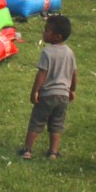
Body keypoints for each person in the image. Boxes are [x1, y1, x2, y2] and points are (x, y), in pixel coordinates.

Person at [17, 15, 76, 160]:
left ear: (57, 36)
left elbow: (41, 74)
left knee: (37, 121)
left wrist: (35, 91)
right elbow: (74, 73)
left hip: (47, 95)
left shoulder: (47, 52)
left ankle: (27, 150)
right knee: (57, 124)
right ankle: (53, 152)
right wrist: (72, 90)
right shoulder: (69, 52)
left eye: (47, 31)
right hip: (63, 96)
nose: (44, 33)